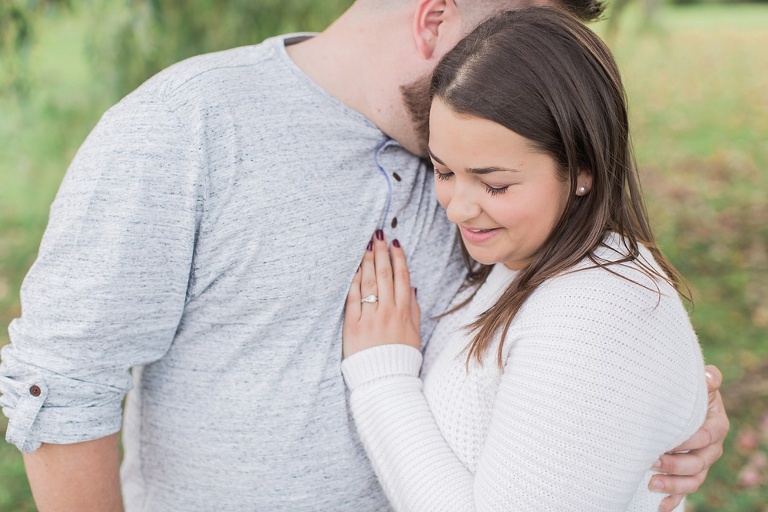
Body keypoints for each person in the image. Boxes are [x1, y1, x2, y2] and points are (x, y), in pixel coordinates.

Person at [0, 1, 726, 511]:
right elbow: (62, 384)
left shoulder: (494, 170)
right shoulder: (187, 126)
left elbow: (581, 315)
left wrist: (672, 410)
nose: (527, 75)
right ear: (435, 17)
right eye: (514, 34)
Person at [341, 7, 720, 511]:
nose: (456, 208)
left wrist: (382, 377)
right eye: (445, 171)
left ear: (582, 168)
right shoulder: (525, 260)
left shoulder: (600, 311)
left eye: (495, 184)